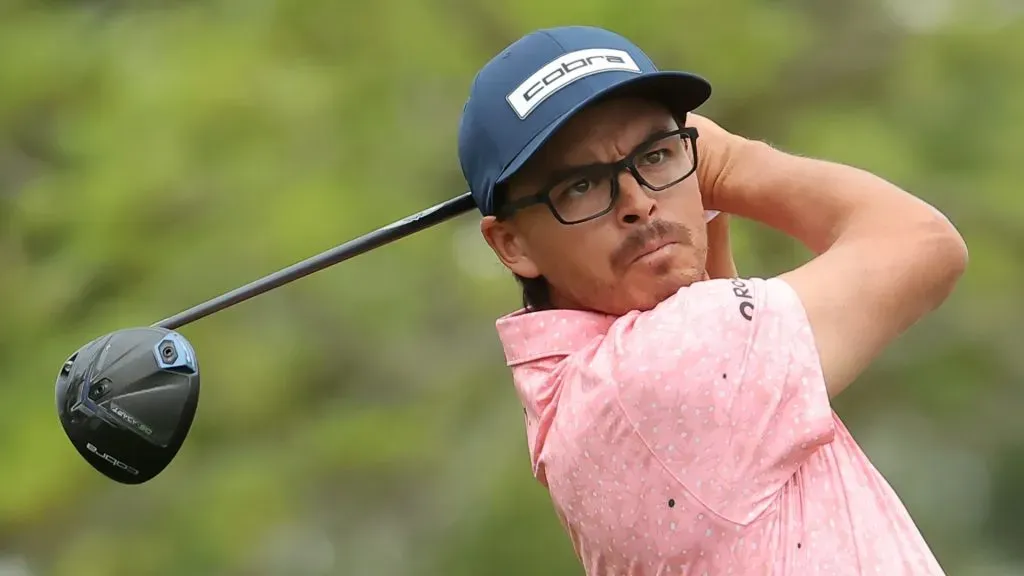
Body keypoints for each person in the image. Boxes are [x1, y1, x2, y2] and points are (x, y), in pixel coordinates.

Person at [457, 25, 968, 575]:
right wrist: (728, 163)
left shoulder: (584, 397)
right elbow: (924, 243)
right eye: (580, 186)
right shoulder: (661, 368)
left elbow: (715, 299)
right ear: (511, 244)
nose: (638, 203)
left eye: (655, 155)